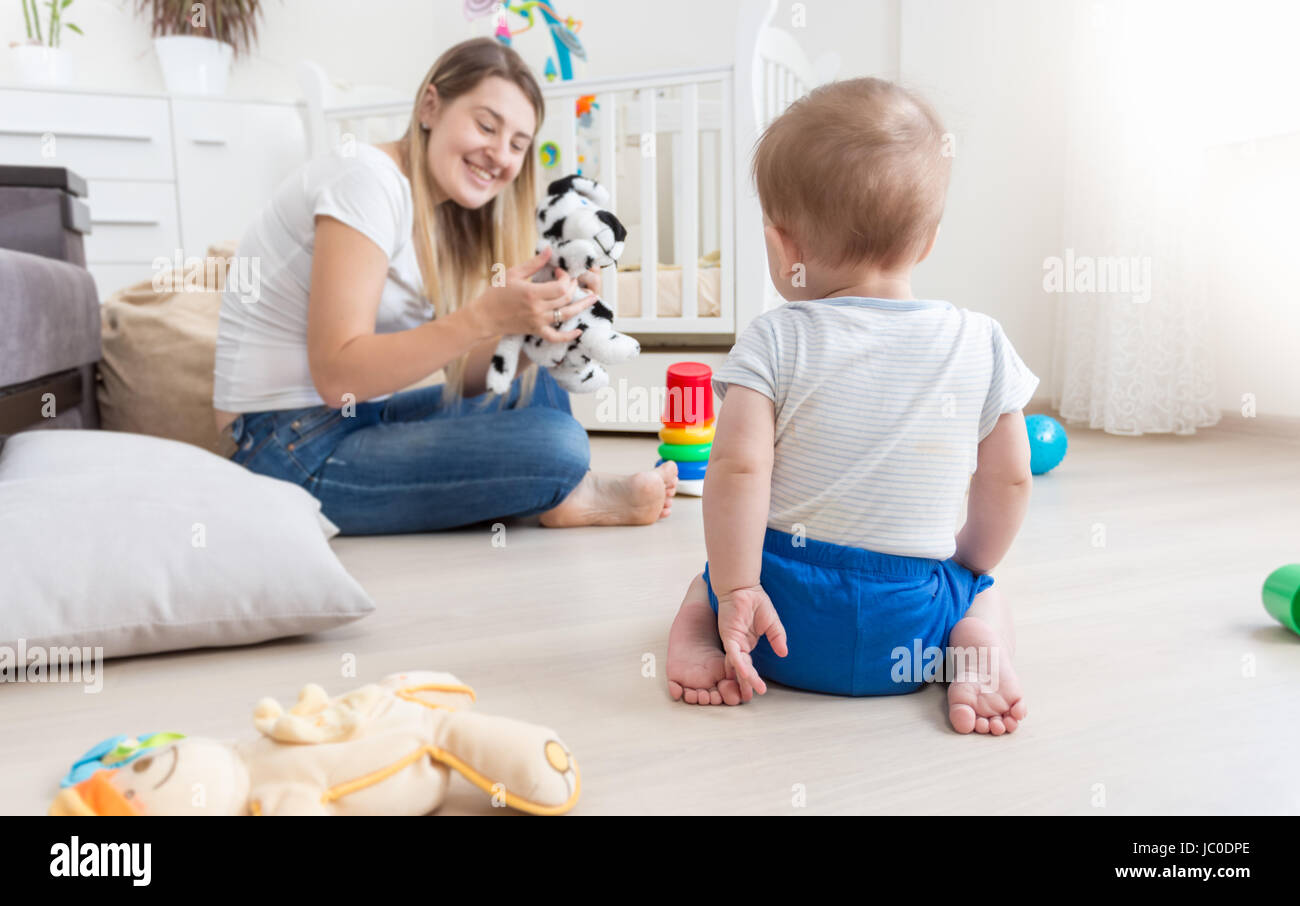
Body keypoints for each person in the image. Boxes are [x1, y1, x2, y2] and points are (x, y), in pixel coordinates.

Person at [664, 78, 1037, 735]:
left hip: (779, 627)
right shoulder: (979, 340)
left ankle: (702, 641)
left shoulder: (774, 336)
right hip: (913, 629)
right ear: (928, 240)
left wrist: (737, 589)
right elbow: (1009, 476)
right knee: (983, 595)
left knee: (706, 580)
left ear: (784, 248)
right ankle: (976, 650)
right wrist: (967, 567)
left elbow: (738, 471)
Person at [212, 38, 677, 535]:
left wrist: (534, 324)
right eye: (485, 125)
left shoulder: (440, 216)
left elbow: (462, 373)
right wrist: (484, 317)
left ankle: (560, 493)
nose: (499, 155)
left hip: (353, 419)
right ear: (430, 106)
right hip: (282, 449)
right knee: (558, 445)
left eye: (518, 144)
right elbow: (337, 378)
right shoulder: (365, 182)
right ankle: (564, 488)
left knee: (535, 374)